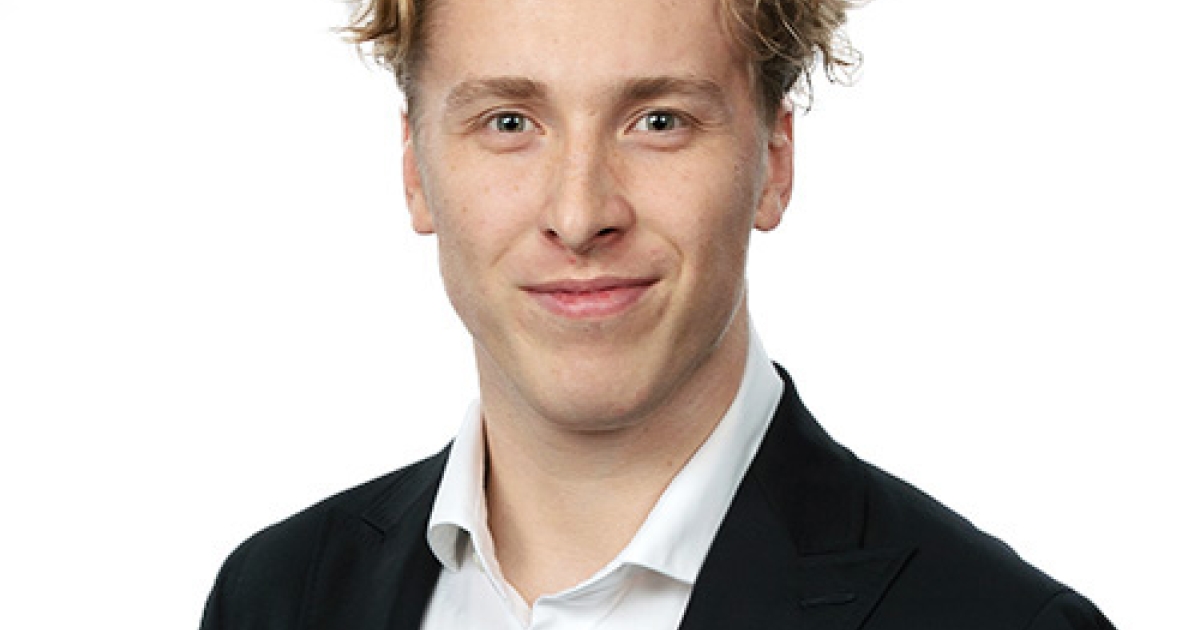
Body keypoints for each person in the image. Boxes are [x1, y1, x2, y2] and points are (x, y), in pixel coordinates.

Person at [200, 0, 1115, 628]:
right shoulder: (274, 598)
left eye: (660, 120)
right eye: (510, 122)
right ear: (414, 169)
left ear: (774, 161)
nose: (579, 213)